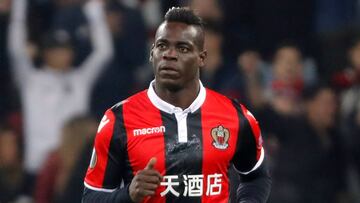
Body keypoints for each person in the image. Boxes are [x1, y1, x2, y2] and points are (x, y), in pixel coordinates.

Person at [82, 7, 271, 202]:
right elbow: (91, 197)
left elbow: (256, 176)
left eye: (183, 48)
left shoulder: (235, 116)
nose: (169, 55)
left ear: (201, 58)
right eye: (162, 46)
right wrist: (128, 195)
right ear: (152, 53)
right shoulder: (118, 120)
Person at [7, 0, 113, 191]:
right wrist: (19, 5)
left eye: (66, 50)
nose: (62, 55)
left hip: (73, 168)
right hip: (37, 167)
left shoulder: (80, 79)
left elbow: (104, 53)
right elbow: (16, 49)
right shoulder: (31, 79)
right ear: (45, 54)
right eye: (56, 50)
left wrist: (94, 11)